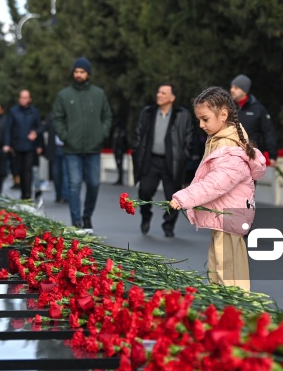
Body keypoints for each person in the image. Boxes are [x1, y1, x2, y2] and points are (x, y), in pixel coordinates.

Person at [169, 86, 267, 290]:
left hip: (228, 218)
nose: (201, 125)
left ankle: (235, 313)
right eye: (199, 120)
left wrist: (184, 198)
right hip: (224, 218)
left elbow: (216, 183)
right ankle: (224, 311)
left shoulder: (229, 148)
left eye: (205, 119)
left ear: (223, 115)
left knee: (228, 275)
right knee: (218, 271)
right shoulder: (220, 140)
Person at [52, 57, 113, 230]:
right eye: (76, 71)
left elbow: (107, 116)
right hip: (72, 149)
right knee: (74, 184)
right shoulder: (64, 95)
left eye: (82, 72)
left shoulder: (98, 94)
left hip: (93, 148)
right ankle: (76, 222)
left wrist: (102, 134)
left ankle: (87, 217)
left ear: (88, 74)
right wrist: (65, 136)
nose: (78, 74)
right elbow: (57, 118)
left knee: (94, 183)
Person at [132, 84, 193, 237]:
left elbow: (189, 138)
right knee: (144, 190)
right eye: (158, 91)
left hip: (172, 162)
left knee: (173, 196)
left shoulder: (182, 115)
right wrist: (137, 150)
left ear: (172, 98)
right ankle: (146, 215)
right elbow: (138, 135)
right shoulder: (148, 113)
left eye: (163, 93)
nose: (158, 95)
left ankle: (169, 224)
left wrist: (183, 155)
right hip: (150, 160)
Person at [229, 74, 278, 166]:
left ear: (244, 90)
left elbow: (268, 132)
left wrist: (272, 156)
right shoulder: (228, 108)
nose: (232, 90)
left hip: (250, 158)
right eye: (231, 87)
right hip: (230, 157)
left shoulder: (258, 109)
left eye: (236, 88)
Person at [4, 90, 42, 200]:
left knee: (28, 169)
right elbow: (8, 128)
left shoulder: (34, 112)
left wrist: (36, 135)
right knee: (20, 169)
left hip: (30, 145)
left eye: (26, 97)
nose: (23, 100)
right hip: (17, 145)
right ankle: (23, 192)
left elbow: (39, 127)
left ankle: (28, 194)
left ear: (30, 99)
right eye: (22, 97)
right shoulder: (13, 111)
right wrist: (7, 143)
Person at [43, 114, 68, 203]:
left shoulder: (71, 113)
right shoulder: (51, 116)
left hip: (68, 148)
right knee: (56, 173)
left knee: (66, 173)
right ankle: (59, 195)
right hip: (54, 149)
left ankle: (66, 196)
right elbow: (44, 128)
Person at [111, 119, 128, 185]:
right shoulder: (120, 132)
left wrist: (119, 150)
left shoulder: (120, 133)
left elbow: (120, 143)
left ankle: (120, 180)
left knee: (120, 166)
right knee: (119, 166)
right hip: (118, 151)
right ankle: (119, 179)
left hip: (119, 151)